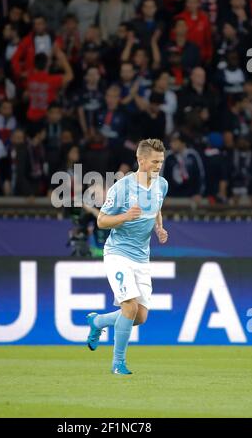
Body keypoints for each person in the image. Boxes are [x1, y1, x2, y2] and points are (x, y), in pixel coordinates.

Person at [86, 138, 169, 375]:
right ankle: (118, 363)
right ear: (140, 160)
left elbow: (157, 206)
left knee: (140, 316)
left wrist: (159, 228)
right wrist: (125, 217)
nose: (158, 166)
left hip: (142, 258)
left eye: (161, 161)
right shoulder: (121, 187)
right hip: (118, 253)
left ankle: (98, 322)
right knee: (129, 306)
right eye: (154, 161)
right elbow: (102, 221)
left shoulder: (161, 184)